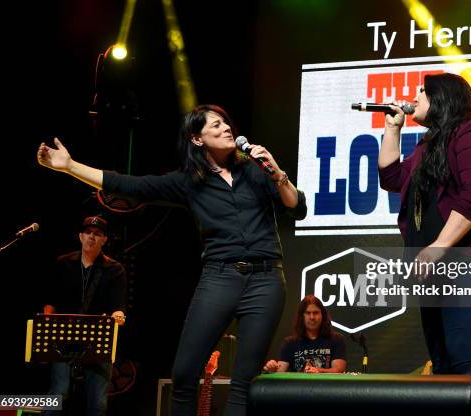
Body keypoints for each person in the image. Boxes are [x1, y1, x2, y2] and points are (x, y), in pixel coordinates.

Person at [37, 104, 307, 416]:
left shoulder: (255, 170)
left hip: (266, 281)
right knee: (184, 374)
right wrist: (69, 166)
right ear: (197, 139)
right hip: (220, 277)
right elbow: (128, 185)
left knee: (244, 381)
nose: (226, 129)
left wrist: (277, 173)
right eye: (215, 126)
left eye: (226, 123)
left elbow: (296, 207)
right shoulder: (189, 181)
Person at [377, 73, 471, 415]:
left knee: (467, 356)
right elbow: (390, 178)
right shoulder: (427, 146)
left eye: (422, 91)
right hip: (441, 269)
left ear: (442, 98)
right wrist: (393, 129)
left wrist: (440, 245)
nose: (414, 96)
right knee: (442, 363)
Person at [42, 215, 127, 416]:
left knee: (98, 404)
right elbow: (50, 302)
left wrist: (118, 316)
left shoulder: (114, 270)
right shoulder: (63, 264)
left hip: (97, 342)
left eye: (97, 234)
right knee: (59, 395)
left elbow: (118, 307)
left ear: (104, 240)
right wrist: (46, 328)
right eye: (88, 233)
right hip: (62, 339)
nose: (91, 237)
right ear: (80, 236)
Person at [263, 295, 346, 373]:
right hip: (296, 388)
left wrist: (318, 371)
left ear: (322, 315)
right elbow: (280, 371)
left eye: (316, 313)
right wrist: (272, 368)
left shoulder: (336, 339)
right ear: (302, 316)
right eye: (308, 313)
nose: (312, 317)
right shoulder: (290, 343)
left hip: (326, 387)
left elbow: (339, 370)